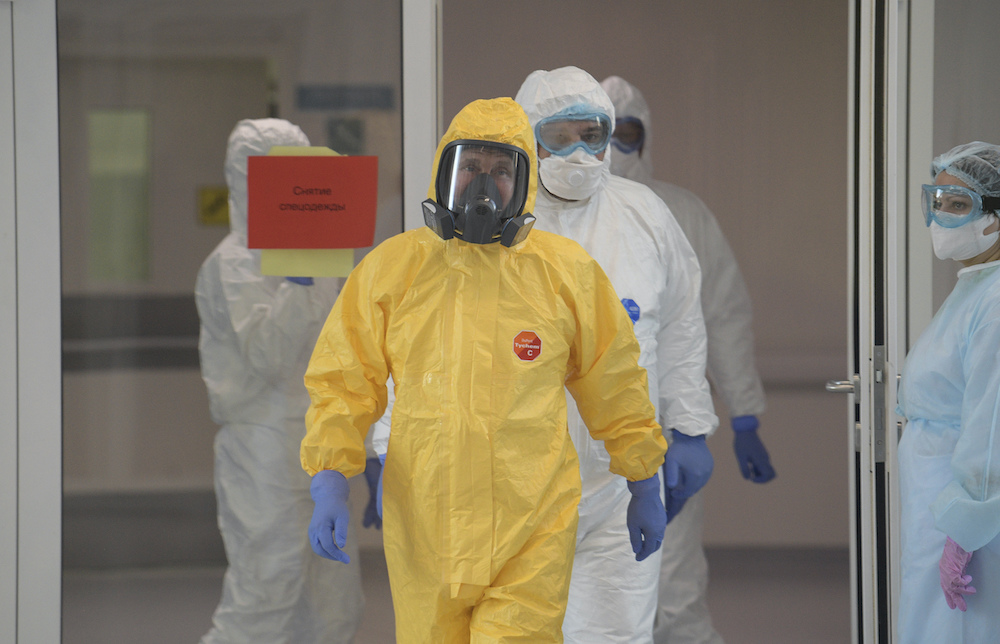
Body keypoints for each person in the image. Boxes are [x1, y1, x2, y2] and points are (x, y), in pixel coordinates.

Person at [300, 97, 669, 644]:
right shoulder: (392, 270)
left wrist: (643, 480)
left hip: (531, 527)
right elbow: (343, 378)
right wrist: (330, 476)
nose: (483, 183)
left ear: (524, 183)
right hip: (426, 528)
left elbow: (613, 379)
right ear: (444, 172)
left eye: (501, 170)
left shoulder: (564, 274)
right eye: (470, 166)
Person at [512, 66, 718, 643]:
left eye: (593, 134)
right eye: (559, 136)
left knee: (617, 631)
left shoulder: (644, 213)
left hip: (625, 476)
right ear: (526, 136)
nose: (579, 151)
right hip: (516, 479)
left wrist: (691, 429)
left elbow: (681, 324)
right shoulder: (501, 222)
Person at [601, 75, 776, 643]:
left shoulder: (679, 212)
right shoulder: (550, 220)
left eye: (626, 133)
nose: (611, 148)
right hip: (574, 439)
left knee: (673, 591)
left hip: (660, 433)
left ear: (646, 138)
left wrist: (743, 414)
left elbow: (721, 313)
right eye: (597, 133)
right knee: (587, 597)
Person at [194, 118, 366, 643]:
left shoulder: (322, 259)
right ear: (243, 177)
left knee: (333, 603)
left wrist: (370, 445)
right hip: (260, 447)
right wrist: (296, 281)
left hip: (318, 445)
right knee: (265, 594)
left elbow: (343, 353)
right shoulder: (232, 264)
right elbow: (267, 356)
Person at [896, 141, 1000, 643]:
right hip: (936, 500)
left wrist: (967, 527)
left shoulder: (996, 300)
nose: (941, 216)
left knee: (955, 628)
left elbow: (992, 424)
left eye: (958, 205)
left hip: (962, 511)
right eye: (937, 201)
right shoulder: (976, 286)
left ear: (995, 218)